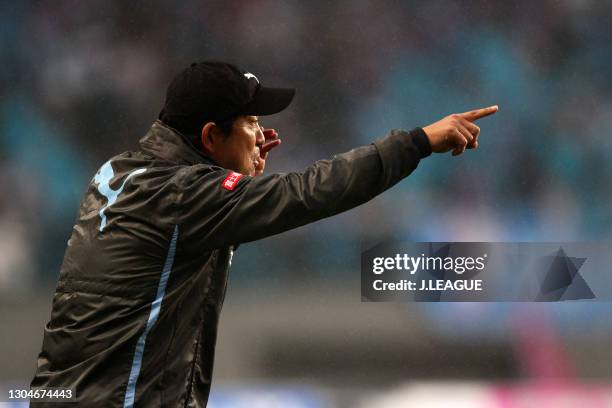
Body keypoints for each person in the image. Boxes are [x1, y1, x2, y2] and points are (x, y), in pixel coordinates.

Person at [30, 60, 498, 407]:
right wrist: (416, 142)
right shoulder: (182, 193)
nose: (261, 134)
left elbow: (168, 258)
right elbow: (307, 193)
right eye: (251, 122)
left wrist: (234, 192)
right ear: (211, 137)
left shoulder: (121, 173)